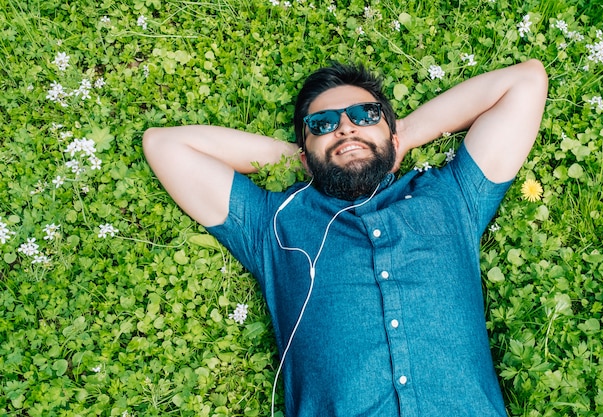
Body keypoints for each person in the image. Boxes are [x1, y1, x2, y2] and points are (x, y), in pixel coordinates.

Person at [143, 59, 548, 417]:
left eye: (365, 115)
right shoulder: (275, 225)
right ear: (305, 151)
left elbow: (526, 82)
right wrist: (305, 156)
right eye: (323, 125)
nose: (345, 127)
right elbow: (165, 144)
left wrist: (404, 133)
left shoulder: (452, 196)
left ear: (390, 135)